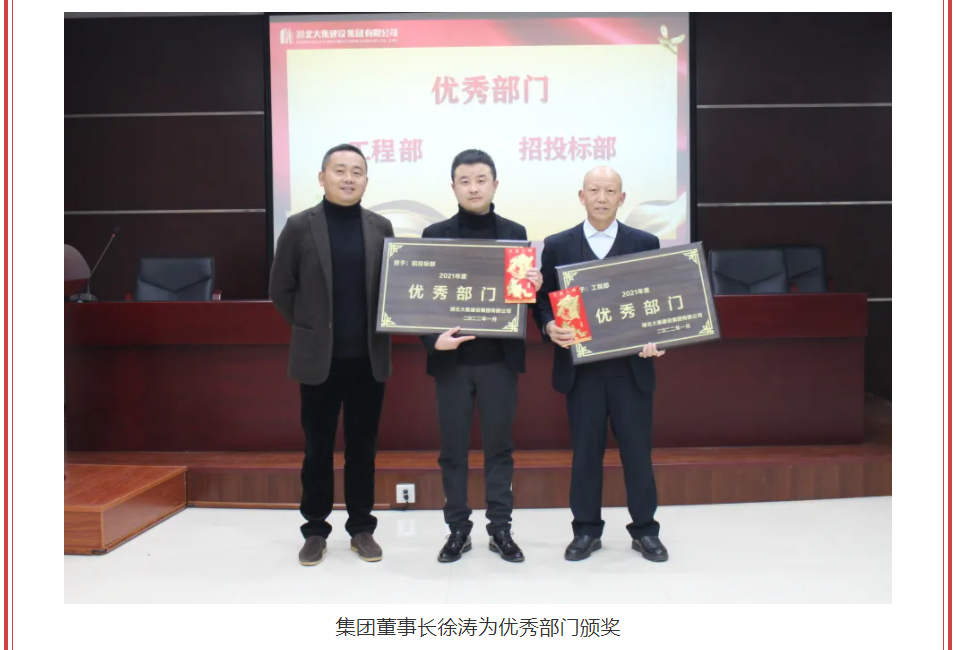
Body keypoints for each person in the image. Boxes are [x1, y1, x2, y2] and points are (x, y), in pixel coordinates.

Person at [534, 166, 669, 562]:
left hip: (631, 369)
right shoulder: (557, 245)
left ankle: (645, 531)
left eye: (610, 191)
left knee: (637, 455)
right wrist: (549, 325)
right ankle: (586, 531)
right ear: (582, 196)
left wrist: (658, 336)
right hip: (582, 372)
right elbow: (542, 300)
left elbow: (658, 299)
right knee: (586, 456)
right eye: (594, 190)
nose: (602, 197)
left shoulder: (644, 242)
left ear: (622, 198)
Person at [270, 144, 395, 566]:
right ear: (322, 177)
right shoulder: (299, 226)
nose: (348, 178)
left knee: (363, 448)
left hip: (368, 360)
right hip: (318, 360)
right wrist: (311, 327)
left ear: (366, 180)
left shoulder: (380, 226)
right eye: (339, 170)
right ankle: (315, 530)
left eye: (357, 171)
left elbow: (394, 287)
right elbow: (281, 289)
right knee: (317, 448)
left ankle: (361, 527)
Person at [420, 149, 543, 563]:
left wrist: (533, 286)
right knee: (452, 451)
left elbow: (520, 301)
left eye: (481, 180)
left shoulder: (514, 233)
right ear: (453, 187)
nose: (473, 188)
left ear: (495, 184)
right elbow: (418, 298)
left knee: (499, 449)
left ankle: (500, 529)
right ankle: (458, 530)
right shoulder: (434, 234)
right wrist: (431, 341)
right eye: (465, 181)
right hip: (452, 362)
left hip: (498, 362)